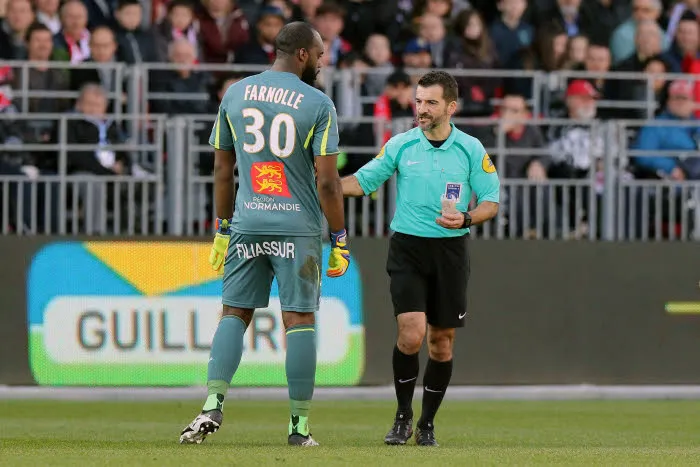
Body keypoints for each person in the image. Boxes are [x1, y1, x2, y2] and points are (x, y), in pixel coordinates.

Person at [179, 21, 349, 448]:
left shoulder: (235, 93)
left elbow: (222, 170)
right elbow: (328, 183)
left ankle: (212, 404)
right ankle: (299, 428)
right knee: (299, 319)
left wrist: (222, 228)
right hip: (298, 226)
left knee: (234, 312)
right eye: (321, 53)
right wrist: (340, 237)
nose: (324, 60)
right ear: (304, 55)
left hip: (247, 221)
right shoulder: (318, 103)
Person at [341, 71, 500, 446]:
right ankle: (402, 416)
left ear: (450, 107)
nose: (421, 109)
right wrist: (324, 185)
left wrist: (465, 217)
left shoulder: (471, 149)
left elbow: (490, 202)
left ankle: (427, 423)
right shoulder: (400, 145)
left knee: (441, 342)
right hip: (407, 248)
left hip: (450, 251)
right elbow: (362, 182)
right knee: (411, 334)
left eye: (430, 102)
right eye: (418, 101)